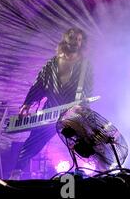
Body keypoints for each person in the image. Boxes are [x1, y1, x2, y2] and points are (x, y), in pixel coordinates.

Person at [10, 28, 93, 179]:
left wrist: (83, 107)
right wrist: (27, 104)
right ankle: (16, 174)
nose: (76, 41)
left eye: (79, 39)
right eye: (73, 37)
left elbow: (88, 91)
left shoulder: (85, 66)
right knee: (32, 143)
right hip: (50, 112)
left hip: (73, 114)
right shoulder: (51, 64)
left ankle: (83, 177)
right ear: (65, 39)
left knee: (82, 146)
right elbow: (39, 85)